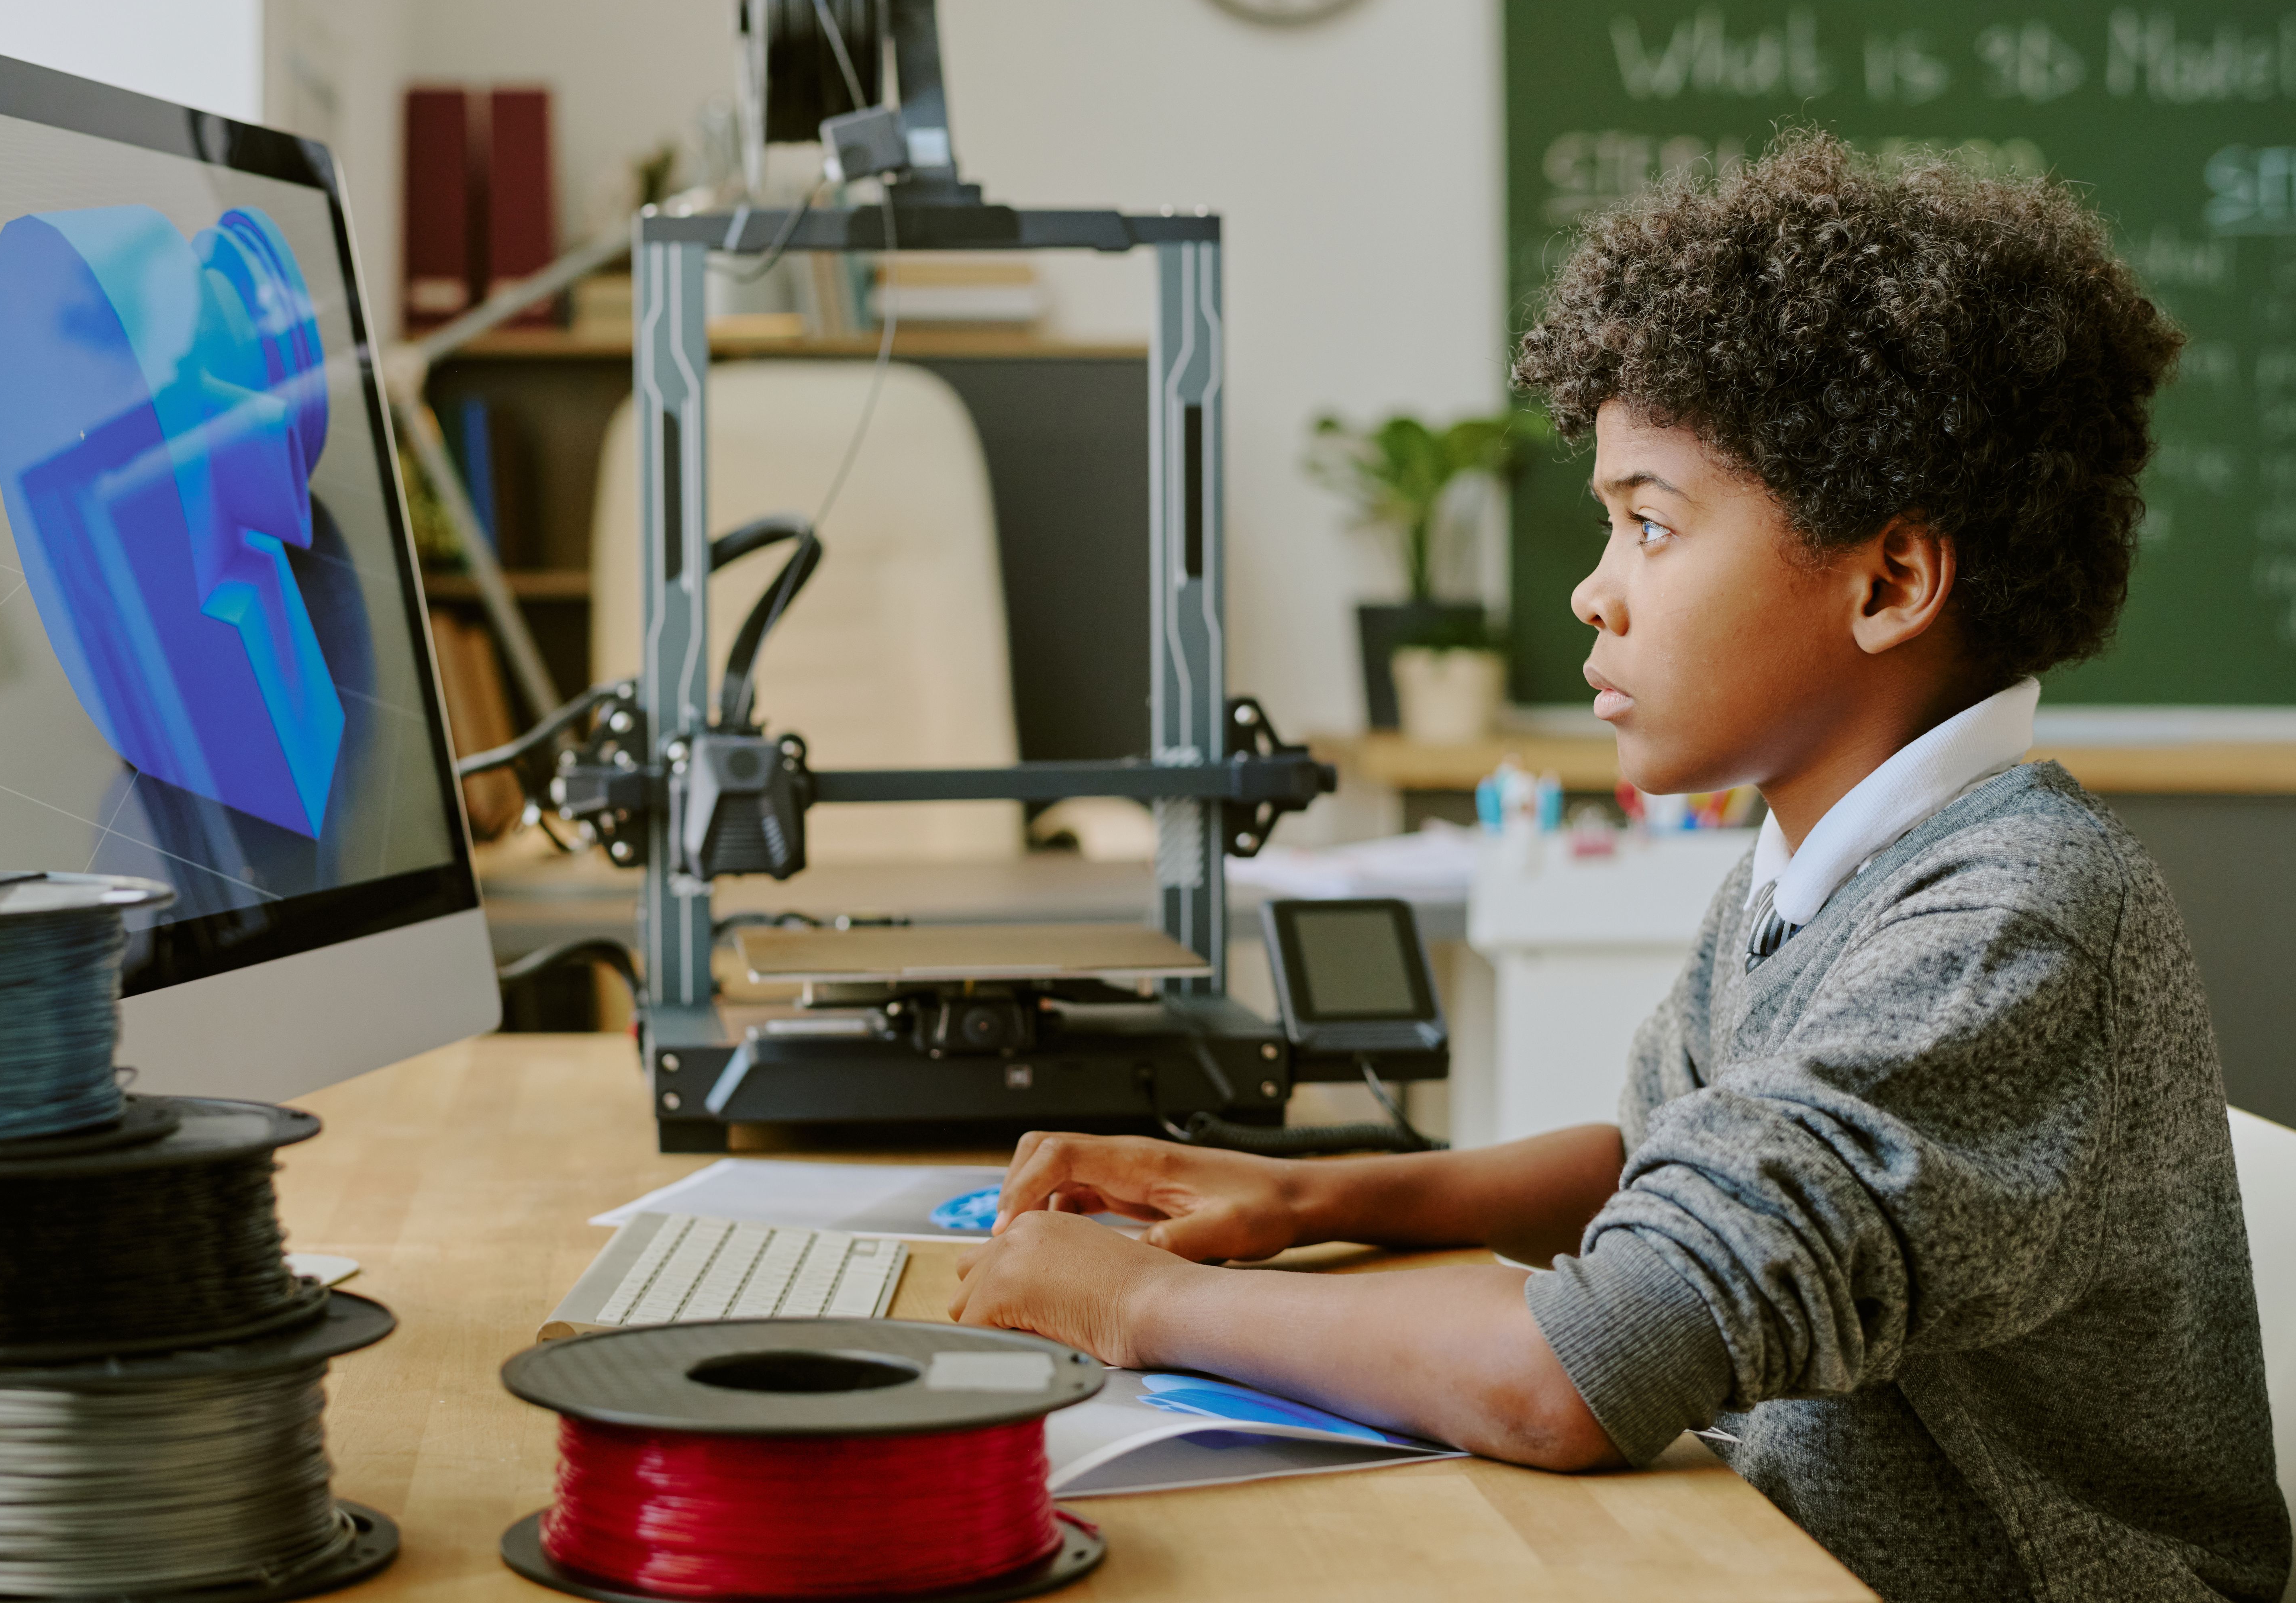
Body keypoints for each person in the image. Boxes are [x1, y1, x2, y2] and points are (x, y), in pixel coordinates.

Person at [950, 131, 2292, 1603]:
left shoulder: (2006, 925)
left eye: (1651, 523)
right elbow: (1655, 1162)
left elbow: (1566, 1378)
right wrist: (1318, 1198)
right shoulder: (1812, 866)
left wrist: (1142, 1304)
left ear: (1891, 582)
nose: (1594, 590)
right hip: (1765, 1552)